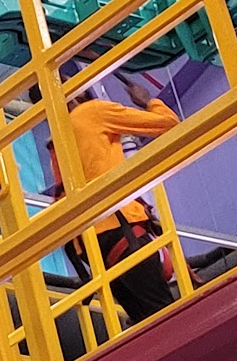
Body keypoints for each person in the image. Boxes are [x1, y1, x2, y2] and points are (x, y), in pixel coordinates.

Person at [61, 70, 180, 326]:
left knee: (147, 323)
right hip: (121, 230)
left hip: (91, 246)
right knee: (166, 318)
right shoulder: (91, 112)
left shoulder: (57, 137)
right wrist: (148, 101)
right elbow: (168, 123)